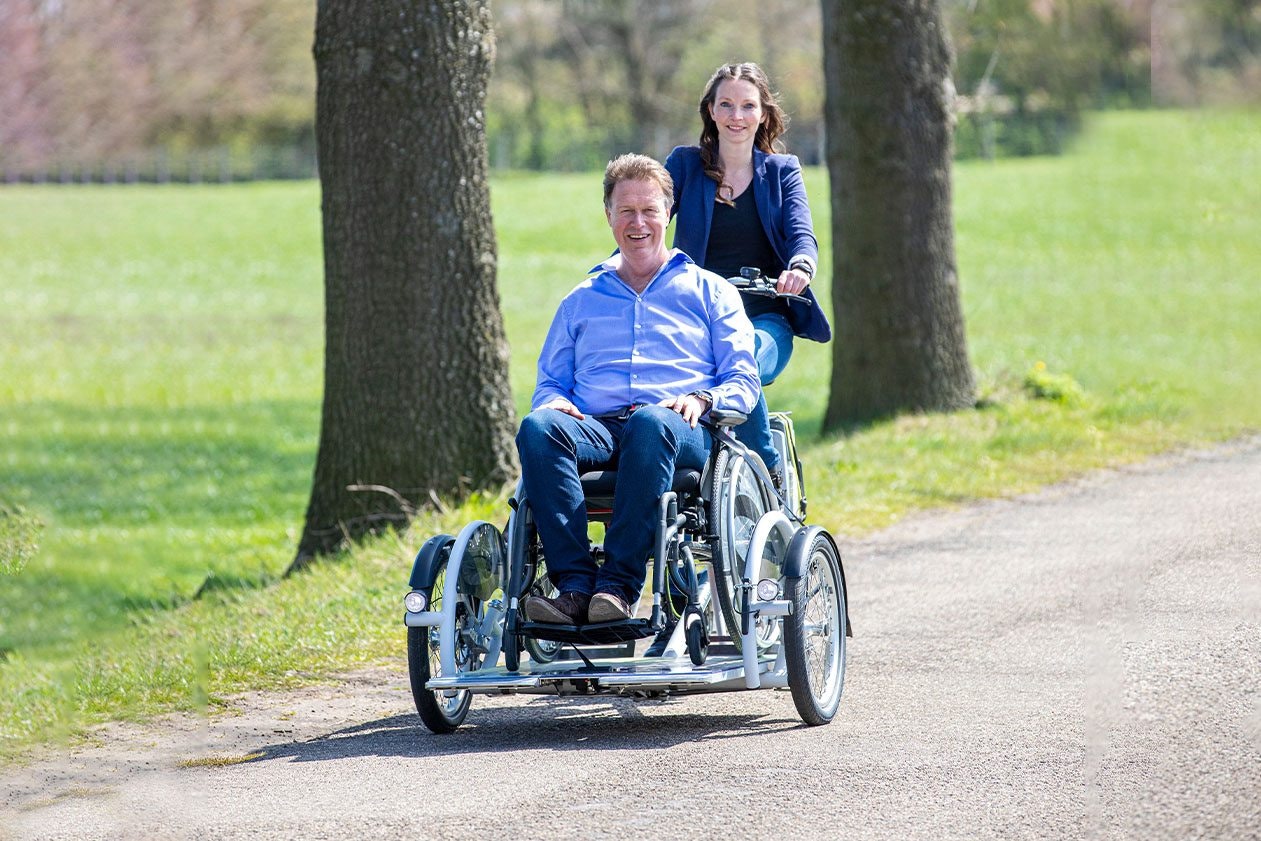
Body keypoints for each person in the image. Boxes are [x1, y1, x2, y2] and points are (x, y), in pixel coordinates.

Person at [517, 153, 759, 625]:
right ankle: (573, 588)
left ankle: (618, 588)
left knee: (651, 420)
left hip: (680, 425)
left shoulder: (710, 291)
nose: (638, 222)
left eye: (649, 210)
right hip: (599, 428)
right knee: (538, 427)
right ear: (608, 216)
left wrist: (704, 398)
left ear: (669, 214)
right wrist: (553, 401)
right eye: (625, 211)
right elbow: (548, 383)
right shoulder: (581, 299)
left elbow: (743, 382)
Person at [665, 62, 832, 485]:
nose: (736, 116)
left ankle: (767, 470)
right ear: (711, 111)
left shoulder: (782, 171)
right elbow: (647, 224)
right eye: (726, 105)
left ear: (762, 114)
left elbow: (802, 235)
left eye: (747, 106)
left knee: (743, 365)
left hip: (764, 317)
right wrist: (619, 265)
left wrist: (800, 268)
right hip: (696, 321)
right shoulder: (685, 166)